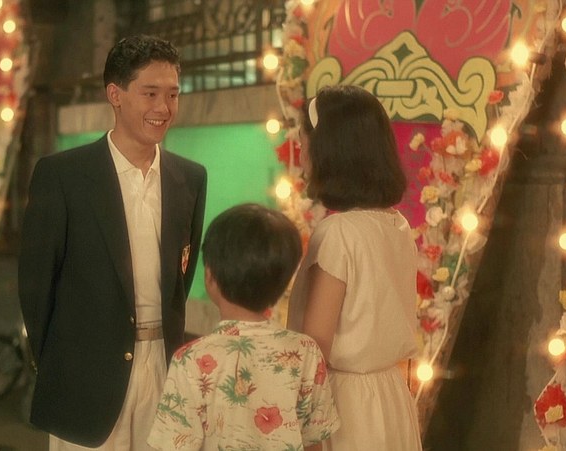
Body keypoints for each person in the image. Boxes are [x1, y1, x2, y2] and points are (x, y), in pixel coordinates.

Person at [18, 34, 208, 450]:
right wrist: (60, 365)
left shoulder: (190, 178)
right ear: (115, 95)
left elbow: (181, 277)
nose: (164, 108)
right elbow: (36, 287)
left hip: (163, 369)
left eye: (173, 94)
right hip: (84, 377)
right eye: (150, 93)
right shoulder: (63, 176)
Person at [287, 85, 423, 450]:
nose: (300, 152)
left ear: (329, 150)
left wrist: (308, 436)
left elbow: (315, 348)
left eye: (304, 142)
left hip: (346, 406)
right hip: (392, 397)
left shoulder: (338, 233)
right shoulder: (396, 226)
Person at [148, 203, 339, 450]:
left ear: (210, 276)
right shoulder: (306, 351)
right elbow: (314, 442)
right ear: (284, 282)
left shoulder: (190, 360)